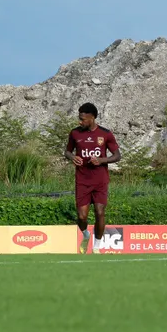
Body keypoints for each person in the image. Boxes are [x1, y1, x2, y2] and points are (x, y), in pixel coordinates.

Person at [65, 103, 121, 255]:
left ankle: (96, 247)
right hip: (82, 180)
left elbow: (117, 156)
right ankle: (86, 235)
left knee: (99, 211)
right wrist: (72, 157)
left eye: (83, 119)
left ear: (92, 118)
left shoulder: (105, 134)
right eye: (79, 118)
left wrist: (101, 160)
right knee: (82, 216)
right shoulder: (75, 133)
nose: (80, 121)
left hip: (100, 180)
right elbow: (67, 151)